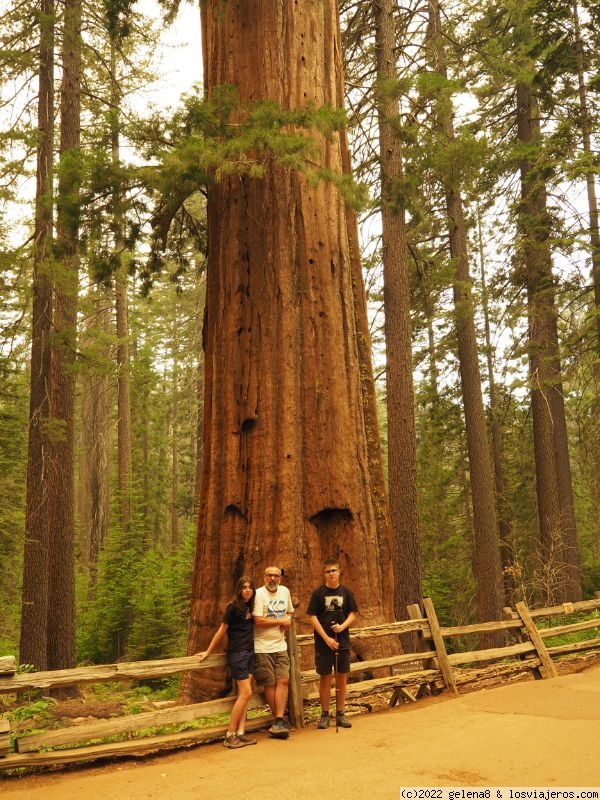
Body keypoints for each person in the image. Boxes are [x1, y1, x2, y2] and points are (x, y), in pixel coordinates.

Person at [196, 576, 257, 749]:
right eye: (244, 587)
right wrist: (208, 651)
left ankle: (241, 732)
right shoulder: (233, 607)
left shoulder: (250, 607)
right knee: (246, 693)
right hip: (237, 653)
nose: (247, 590)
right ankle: (229, 735)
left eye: (250, 587)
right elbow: (222, 630)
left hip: (250, 652)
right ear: (239, 589)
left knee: (243, 695)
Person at [306, 558, 358, 730]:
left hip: (341, 640)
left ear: (339, 572)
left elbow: (352, 613)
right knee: (325, 678)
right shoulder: (318, 593)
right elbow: (312, 617)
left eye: (334, 570)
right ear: (324, 574)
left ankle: (341, 713)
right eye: (328, 571)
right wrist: (326, 638)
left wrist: (342, 627)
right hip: (323, 642)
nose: (331, 574)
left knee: (342, 677)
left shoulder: (346, 592)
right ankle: (325, 714)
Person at [253, 565, 294, 739]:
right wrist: (280, 621)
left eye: (276, 576)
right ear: (264, 577)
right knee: (269, 683)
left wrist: (289, 619)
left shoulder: (284, 591)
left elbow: (290, 612)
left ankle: (278, 720)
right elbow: (258, 620)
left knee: (283, 680)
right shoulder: (258, 594)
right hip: (262, 647)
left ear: (280, 578)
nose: (272, 579)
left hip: (280, 646)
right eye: (269, 575)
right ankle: (278, 720)